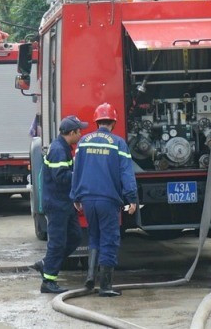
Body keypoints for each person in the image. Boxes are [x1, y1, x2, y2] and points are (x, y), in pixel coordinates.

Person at [71, 103, 137, 298]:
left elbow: (77, 171)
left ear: (96, 121)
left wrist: (75, 195)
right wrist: (132, 198)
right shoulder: (118, 143)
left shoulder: (83, 142)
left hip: (88, 199)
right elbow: (126, 173)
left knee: (94, 236)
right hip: (108, 200)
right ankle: (106, 286)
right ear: (114, 122)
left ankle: (90, 278)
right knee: (110, 239)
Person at [34, 115, 88, 294]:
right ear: (71, 133)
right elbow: (60, 177)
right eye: (79, 131)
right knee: (57, 243)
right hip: (57, 205)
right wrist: (81, 175)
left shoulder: (64, 147)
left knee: (74, 237)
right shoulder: (59, 150)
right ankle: (48, 281)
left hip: (65, 203)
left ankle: (46, 264)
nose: (81, 134)